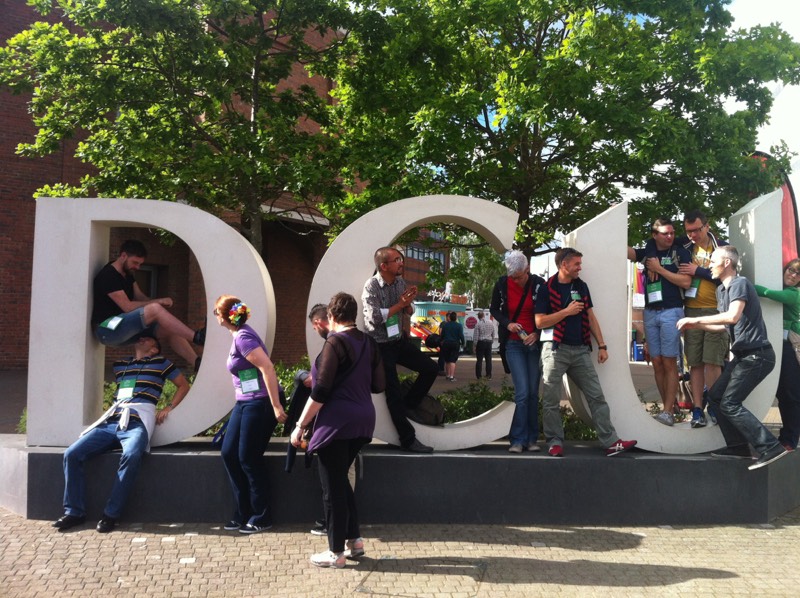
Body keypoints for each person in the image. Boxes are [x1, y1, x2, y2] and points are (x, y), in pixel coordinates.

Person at [53, 334, 191, 533]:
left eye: (148, 339)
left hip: (137, 422)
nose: (142, 339)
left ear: (154, 349)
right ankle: (74, 512)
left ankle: (110, 515)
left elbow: (183, 385)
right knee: (72, 454)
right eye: (140, 337)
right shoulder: (121, 365)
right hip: (112, 421)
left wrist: (169, 407)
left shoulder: (161, 363)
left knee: (132, 455)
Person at [291, 293, 385, 569]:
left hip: (336, 423)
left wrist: (300, 425)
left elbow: (320, 390)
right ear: (353, 315)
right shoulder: (368, 342)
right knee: (341, 481)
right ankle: (355, 541)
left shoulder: (334, 343)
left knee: (331, 490)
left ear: (331, 316)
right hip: (364, 420)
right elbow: (379, 385)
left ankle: (335, 553)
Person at [677, 246, 789, 470]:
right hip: (742, 357)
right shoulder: (721, 290)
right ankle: (738, 447)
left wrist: (695, 320)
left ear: (727, 263)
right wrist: (694, 326)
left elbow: (732, 316)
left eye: (713, 260)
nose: (709, 265)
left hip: (757, 355)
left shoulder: (740, 283)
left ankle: (770, 446)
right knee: (716, 397)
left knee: (730, 403)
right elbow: (723, 326)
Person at [535, 248, 637, 457]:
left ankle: (610, 442)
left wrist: (602, 345)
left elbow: (590, 316)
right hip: (555, 349)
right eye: (577, 264)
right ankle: (555, 442)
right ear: (564, 264)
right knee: (551, 400)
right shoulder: (546, 288)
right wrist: (566, 312)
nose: (580, 268)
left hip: (581, 350)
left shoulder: (581, 286)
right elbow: (540, 322)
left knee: (596, 396)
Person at [215, 295, 287, 534]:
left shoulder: (243, 338)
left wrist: (276, 406)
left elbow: (267, 368)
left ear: (225, 316)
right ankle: (243, 511)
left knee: (248, 457)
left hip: (260, 403)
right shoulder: (238, 335)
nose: (215, 316)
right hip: (245, 402)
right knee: (229, 453)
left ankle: (261, 515)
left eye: (216, 312)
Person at [362, 246, 436, 453]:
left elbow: (408, 312)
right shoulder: (371, 286)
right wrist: (400, 305)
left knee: (430, 368)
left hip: (397, 340)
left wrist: (409, 304)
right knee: (392, 393)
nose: (401, 263)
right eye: (396, 260)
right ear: (384, 266)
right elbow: (374, 318)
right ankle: (408, 439)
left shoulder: (400, 282)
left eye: (400, 259)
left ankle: (408, 406)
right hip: (380, 346)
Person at [92, 239, 205, 371]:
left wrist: (158, 310)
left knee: (169, 326)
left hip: (123, 327)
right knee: (155, 308)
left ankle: (197, 363)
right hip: (107, 330)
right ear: (123, 256)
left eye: (140, 264)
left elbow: (140, 297)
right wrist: (158, 303)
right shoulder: (108, 275)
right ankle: (197, 337)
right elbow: (127, 307)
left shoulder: (127, 273)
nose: (137, 267)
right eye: (135, 262)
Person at [627, 219, 692, 426]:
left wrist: (659, 269)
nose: (670, 236)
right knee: (656, 362)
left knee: (669, 361)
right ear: (654, 235)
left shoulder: (680, 252)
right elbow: (626, 251)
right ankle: (668, 407)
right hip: (650, 312)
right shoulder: (649, 251)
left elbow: (686, 282)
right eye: (665, 233)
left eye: (672, 232)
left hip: (672, 311)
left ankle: (667, 411)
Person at [677, 210, 729, 427]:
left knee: (713, 362)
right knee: (695, 363)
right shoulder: (683, 247)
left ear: (707, 226)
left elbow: (727, 277)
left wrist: (698, 270)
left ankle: (715, 406)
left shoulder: (722, 248)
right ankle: (698, 409)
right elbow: (655, 246)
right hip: (691, 312)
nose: (692, 235)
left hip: (716, 311)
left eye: (696, 230)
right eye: (688, 231)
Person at [490, 250, 545, 453]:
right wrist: (508, 323)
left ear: (527, 269)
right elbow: (494, 309)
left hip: (534, 344)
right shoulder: (502, 284)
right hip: (513, 344)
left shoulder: (539, 284)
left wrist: (537, 334)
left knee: (532, 393)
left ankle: (531, 439)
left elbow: (547, 312)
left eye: (519, 277)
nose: (515, 280)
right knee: (522, 393)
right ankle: (518, 439)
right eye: (512, 277)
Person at [755, 258, 800, 451]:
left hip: (790, 348)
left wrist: (743, 285)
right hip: (778, 346)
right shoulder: (784, 288)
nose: (793, 275)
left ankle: (790, 439)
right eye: (791, 270)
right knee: (783, 393)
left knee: (790, 394)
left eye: (798, 274)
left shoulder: (793, 293)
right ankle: (786, 437)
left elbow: (767, 293)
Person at [439, 311, 464, 381]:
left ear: (449, 317)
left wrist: (441, 341)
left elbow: (442, 335)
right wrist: (463, 343)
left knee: (447, 360)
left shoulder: (445, 325)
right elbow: (461, 335)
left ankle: (447, 375)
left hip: (446, 343)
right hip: (455, 344)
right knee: (452, 361)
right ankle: (451, 376)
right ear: (456, 318)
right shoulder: (459, 325)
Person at [473, 311, 496, 380]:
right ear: (484, 315)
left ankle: (479, 376)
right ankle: (488, 375)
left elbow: (476, 336)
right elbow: (493, 333)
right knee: (488, 360)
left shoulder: (478, 324)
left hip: (481, 342)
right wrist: (492, 340)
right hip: (489, 342)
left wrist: (475, 345)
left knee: (479, 360)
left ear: (478, 317)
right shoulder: (490, 323)